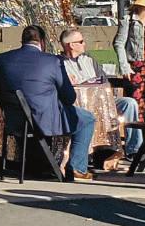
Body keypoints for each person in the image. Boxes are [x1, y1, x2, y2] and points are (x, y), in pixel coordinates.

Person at [0, 26, 96, 181]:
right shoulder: (52, 61)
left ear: (22, 41)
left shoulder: (3, 59)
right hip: (45, 119)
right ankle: (77, 167)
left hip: (14, 119)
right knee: (87, 119)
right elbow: (69, 97)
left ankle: (40, 165)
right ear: (42, 42)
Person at [58, 27, 140, 169]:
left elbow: (104, 80)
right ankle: (92, 151)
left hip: (103, 103)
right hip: (80, 105)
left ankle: (134, 150)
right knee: (86, 113)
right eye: (81, 41)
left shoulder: (89, 60)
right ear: (71, 45)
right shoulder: (60, 63)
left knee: (129, 103)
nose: (84, 44)